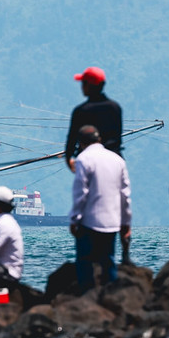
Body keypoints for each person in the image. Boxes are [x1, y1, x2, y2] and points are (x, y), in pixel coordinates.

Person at [68, 125, 132, 292]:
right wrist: (126, 222)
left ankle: (87, 299)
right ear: (99, 140)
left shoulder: (83, 159)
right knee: (108, 261)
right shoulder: (117, 160)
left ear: (80, 143)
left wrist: (74, 219)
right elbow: (125, 195)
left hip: (89, 222)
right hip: (112, 221)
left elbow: (81, 193)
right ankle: (111, 297)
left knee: (85, 263)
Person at [65, 66, 123, 172]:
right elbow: (117, 139)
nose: (81, 87)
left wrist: (69, 159)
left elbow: (72, 140)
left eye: (83, 83)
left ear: (88, 86)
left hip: (88, 163)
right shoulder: (115, 108)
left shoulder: (81, 111)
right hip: (114, 162)